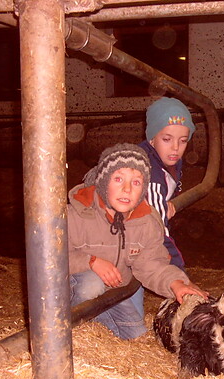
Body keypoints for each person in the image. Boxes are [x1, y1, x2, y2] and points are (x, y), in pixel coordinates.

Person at [67, 143, 208, 340]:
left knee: (136, 337)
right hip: (74, 287)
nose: (126, 189)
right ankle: (72, 330)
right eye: (118, 179)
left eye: (136, 183)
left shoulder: (145, 223)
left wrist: (176, 284)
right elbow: (49, 259)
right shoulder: (75, 215)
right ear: (103, 181)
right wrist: (91, 261)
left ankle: (95, 330)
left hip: (116, 290)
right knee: (92, 284)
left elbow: (152, 264)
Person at [138, 97, 196, 271]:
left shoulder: (167, 159)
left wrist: (168, 201)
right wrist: (178, 273)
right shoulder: (149, 172)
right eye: (167, 139)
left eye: (183, 140)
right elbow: (159, 232)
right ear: (152, 139)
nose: (175, 148)